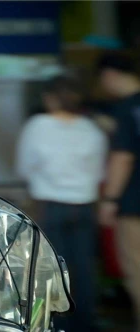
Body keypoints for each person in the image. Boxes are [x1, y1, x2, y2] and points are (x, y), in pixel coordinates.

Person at [16, 74, 106, 331]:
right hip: (86, 207)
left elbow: (24, 168)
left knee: (51, 269)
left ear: (51, 98)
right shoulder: (92, 129)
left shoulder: (38, 126)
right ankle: (86, 324)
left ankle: (54, 324)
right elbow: (99, 173)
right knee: (84, 269)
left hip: (49, 206)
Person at [96, 53, 140, 330]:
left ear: (109, 75)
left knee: (136, 270)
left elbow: (123, 158)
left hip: (135, 206)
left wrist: (109, 200)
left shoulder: (127, 108)